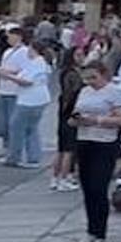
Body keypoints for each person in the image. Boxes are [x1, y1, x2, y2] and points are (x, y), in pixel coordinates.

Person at [69, 61, 121, 242]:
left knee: (98, 187)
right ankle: (90, 231)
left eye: (94, 77)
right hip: (85, 139)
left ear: (104, 75)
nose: (90, 82)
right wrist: (76, 120)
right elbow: (72, 115)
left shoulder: (114, 92)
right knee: (87, 189)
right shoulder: (84, 92)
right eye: (87, 78)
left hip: (105, 143)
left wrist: (98, 120)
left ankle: (100, 235)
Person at [4, 33, 52, 169]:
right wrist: (11, 73)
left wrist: (8, 77)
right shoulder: (39, 63)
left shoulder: (37, 63)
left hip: (30, 99)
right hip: (38, 98)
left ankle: (15, 157)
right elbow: (22, 73)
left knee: (17, 127)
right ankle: (33, 157)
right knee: (32, 127)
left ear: (34, 50)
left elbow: (27, 81)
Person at [0, 24, 27, 163]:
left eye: (10, 36)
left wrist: (7, 72)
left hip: (15, 91)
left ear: (18, 36)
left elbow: (25, 70)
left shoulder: (24, 52)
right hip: (4, 89)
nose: (8, 39)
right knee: (3, 123)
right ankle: (5, 148)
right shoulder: (7, 52)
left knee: (13, 122)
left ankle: (13, 151)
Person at [51, 47, 84, 192]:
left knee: (61, 148)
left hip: (63, 111)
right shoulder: (73, 74)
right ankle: (64, 178)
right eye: (78, 55)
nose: (81, 57)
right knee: (69, 149)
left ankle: (55, 177)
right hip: (71, 111)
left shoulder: (65, 72)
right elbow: (73, 93)